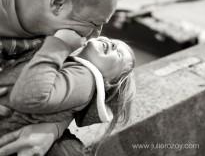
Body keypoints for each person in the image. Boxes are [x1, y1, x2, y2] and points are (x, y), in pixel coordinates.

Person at [0, 0, 125, 155]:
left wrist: (53, 129)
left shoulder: (63, 31)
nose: (96, 36)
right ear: (58, 4)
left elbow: (68, 87)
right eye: (94, 24)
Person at [0, 30, 136, 155]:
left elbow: (29, 96)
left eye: (119, 54)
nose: (112, 44)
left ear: (108, 82)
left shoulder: (85, 77)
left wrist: (57, 45)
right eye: (114, 41)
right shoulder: (74, 67)